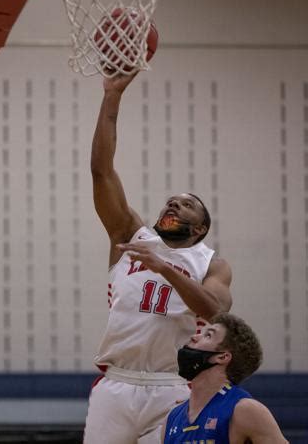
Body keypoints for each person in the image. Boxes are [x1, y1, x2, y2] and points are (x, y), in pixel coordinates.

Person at [84, 71, 233, 444]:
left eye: (186, 205)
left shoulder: (211, 263)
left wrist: (164, 267)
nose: (173, 204)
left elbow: (214, 310)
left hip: (174, 387)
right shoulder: (130, 235)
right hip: (116, 383)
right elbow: (101, 172)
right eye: (171, 200)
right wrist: (112, 96)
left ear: (199, 229)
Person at [162, 312, 289, 444]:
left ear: (222, 357)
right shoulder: (172, 418)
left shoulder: (245, 410)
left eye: (208, 335)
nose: (194, 337)